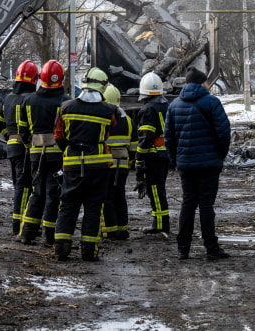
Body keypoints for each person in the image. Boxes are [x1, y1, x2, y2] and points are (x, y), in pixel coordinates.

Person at [165, 67, 231, 261]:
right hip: (209, 165)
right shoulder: (212, 102)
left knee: (188, 204)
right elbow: (224, 133)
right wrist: (220, 156)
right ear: (202, 83)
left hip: (185, 165)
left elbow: (168, 137)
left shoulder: (174, 105)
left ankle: (183, 249)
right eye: (207, 82)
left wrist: (175, 160)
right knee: (206, 206)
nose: (208, 85)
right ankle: (211, 248)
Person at [53, 67, 117, 261]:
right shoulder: (108, 110)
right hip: (98, 167)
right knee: (93, 208)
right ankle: (89, 252)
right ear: (102, 87)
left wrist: (70, 149)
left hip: (72, 165)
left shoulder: (66, 107)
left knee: (68, 206)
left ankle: (61, 250)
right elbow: (110, 131)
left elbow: (58, 135)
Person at [18, 60, 70, 247]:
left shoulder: (28, 100)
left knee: (36, 192)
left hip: (35, 154)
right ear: (61, 79)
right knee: (53, 193)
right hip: (57, 155)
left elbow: (23, 132)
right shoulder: (65, 102)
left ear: (41, 78)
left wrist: (31, 146)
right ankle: (49, 236)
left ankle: (27, 234)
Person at [0, 60, 38, 235]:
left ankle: (21, 223)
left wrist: (10, 137)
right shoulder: (30, 99)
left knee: (19, 185)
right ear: (34, 79)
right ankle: (20, 225)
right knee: (25, 185)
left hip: (12, 149)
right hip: (26, 149)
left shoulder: (8, 98)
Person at [134, 72, 171, 235]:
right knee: (158, 189)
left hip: (154, 156)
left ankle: (161, 225)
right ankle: (159, 222)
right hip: (164, 156)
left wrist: (138, 159)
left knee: (155, 190)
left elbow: (145, 139)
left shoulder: (148, 109)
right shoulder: (166, 105)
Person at [102, 84, 136, 240]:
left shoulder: (102, 118)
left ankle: (111, 230)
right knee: (120, 196)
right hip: (122, 165)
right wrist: (128, 164)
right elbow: (134, 146)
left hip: (106, 164)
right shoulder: (128, 120)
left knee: (107, 197)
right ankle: (123, 230)